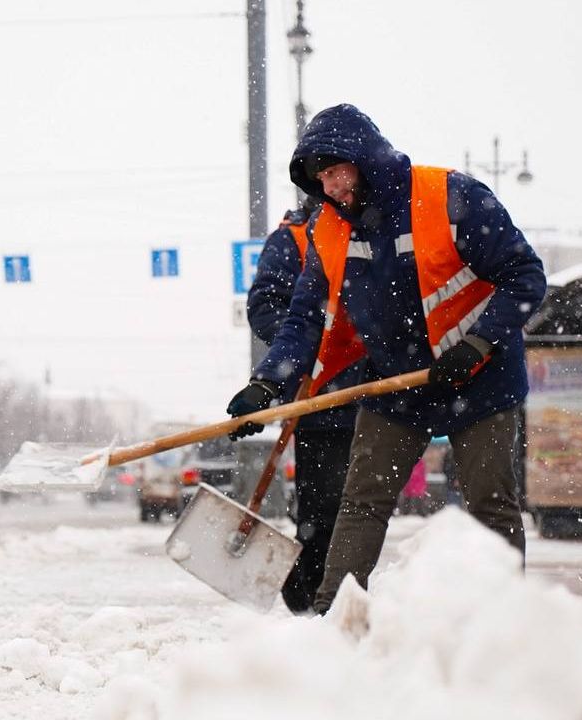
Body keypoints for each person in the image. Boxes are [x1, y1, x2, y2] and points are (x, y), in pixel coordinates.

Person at [225, 104, 547, 614]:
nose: (330, 187)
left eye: (335, 172)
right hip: (397, 382)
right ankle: (335, 619)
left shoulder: (451, 197)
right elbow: (305, 318)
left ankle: (502, 621)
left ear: (364, 159)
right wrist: (268, 384)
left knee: (489, 502)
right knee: (362, 501)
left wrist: (478, 344)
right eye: (320, 180)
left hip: (480, 378)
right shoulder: (328, 230)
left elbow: (525, 277)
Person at [245, 202, 365, 613]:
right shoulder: (294, 238)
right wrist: (313, 347)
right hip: (321, 400)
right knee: (326, 509)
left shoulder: (378, 224)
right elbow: (266, 306)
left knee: (364, 508)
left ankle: (343, 598)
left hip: (379, 394)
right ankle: (312, 600)